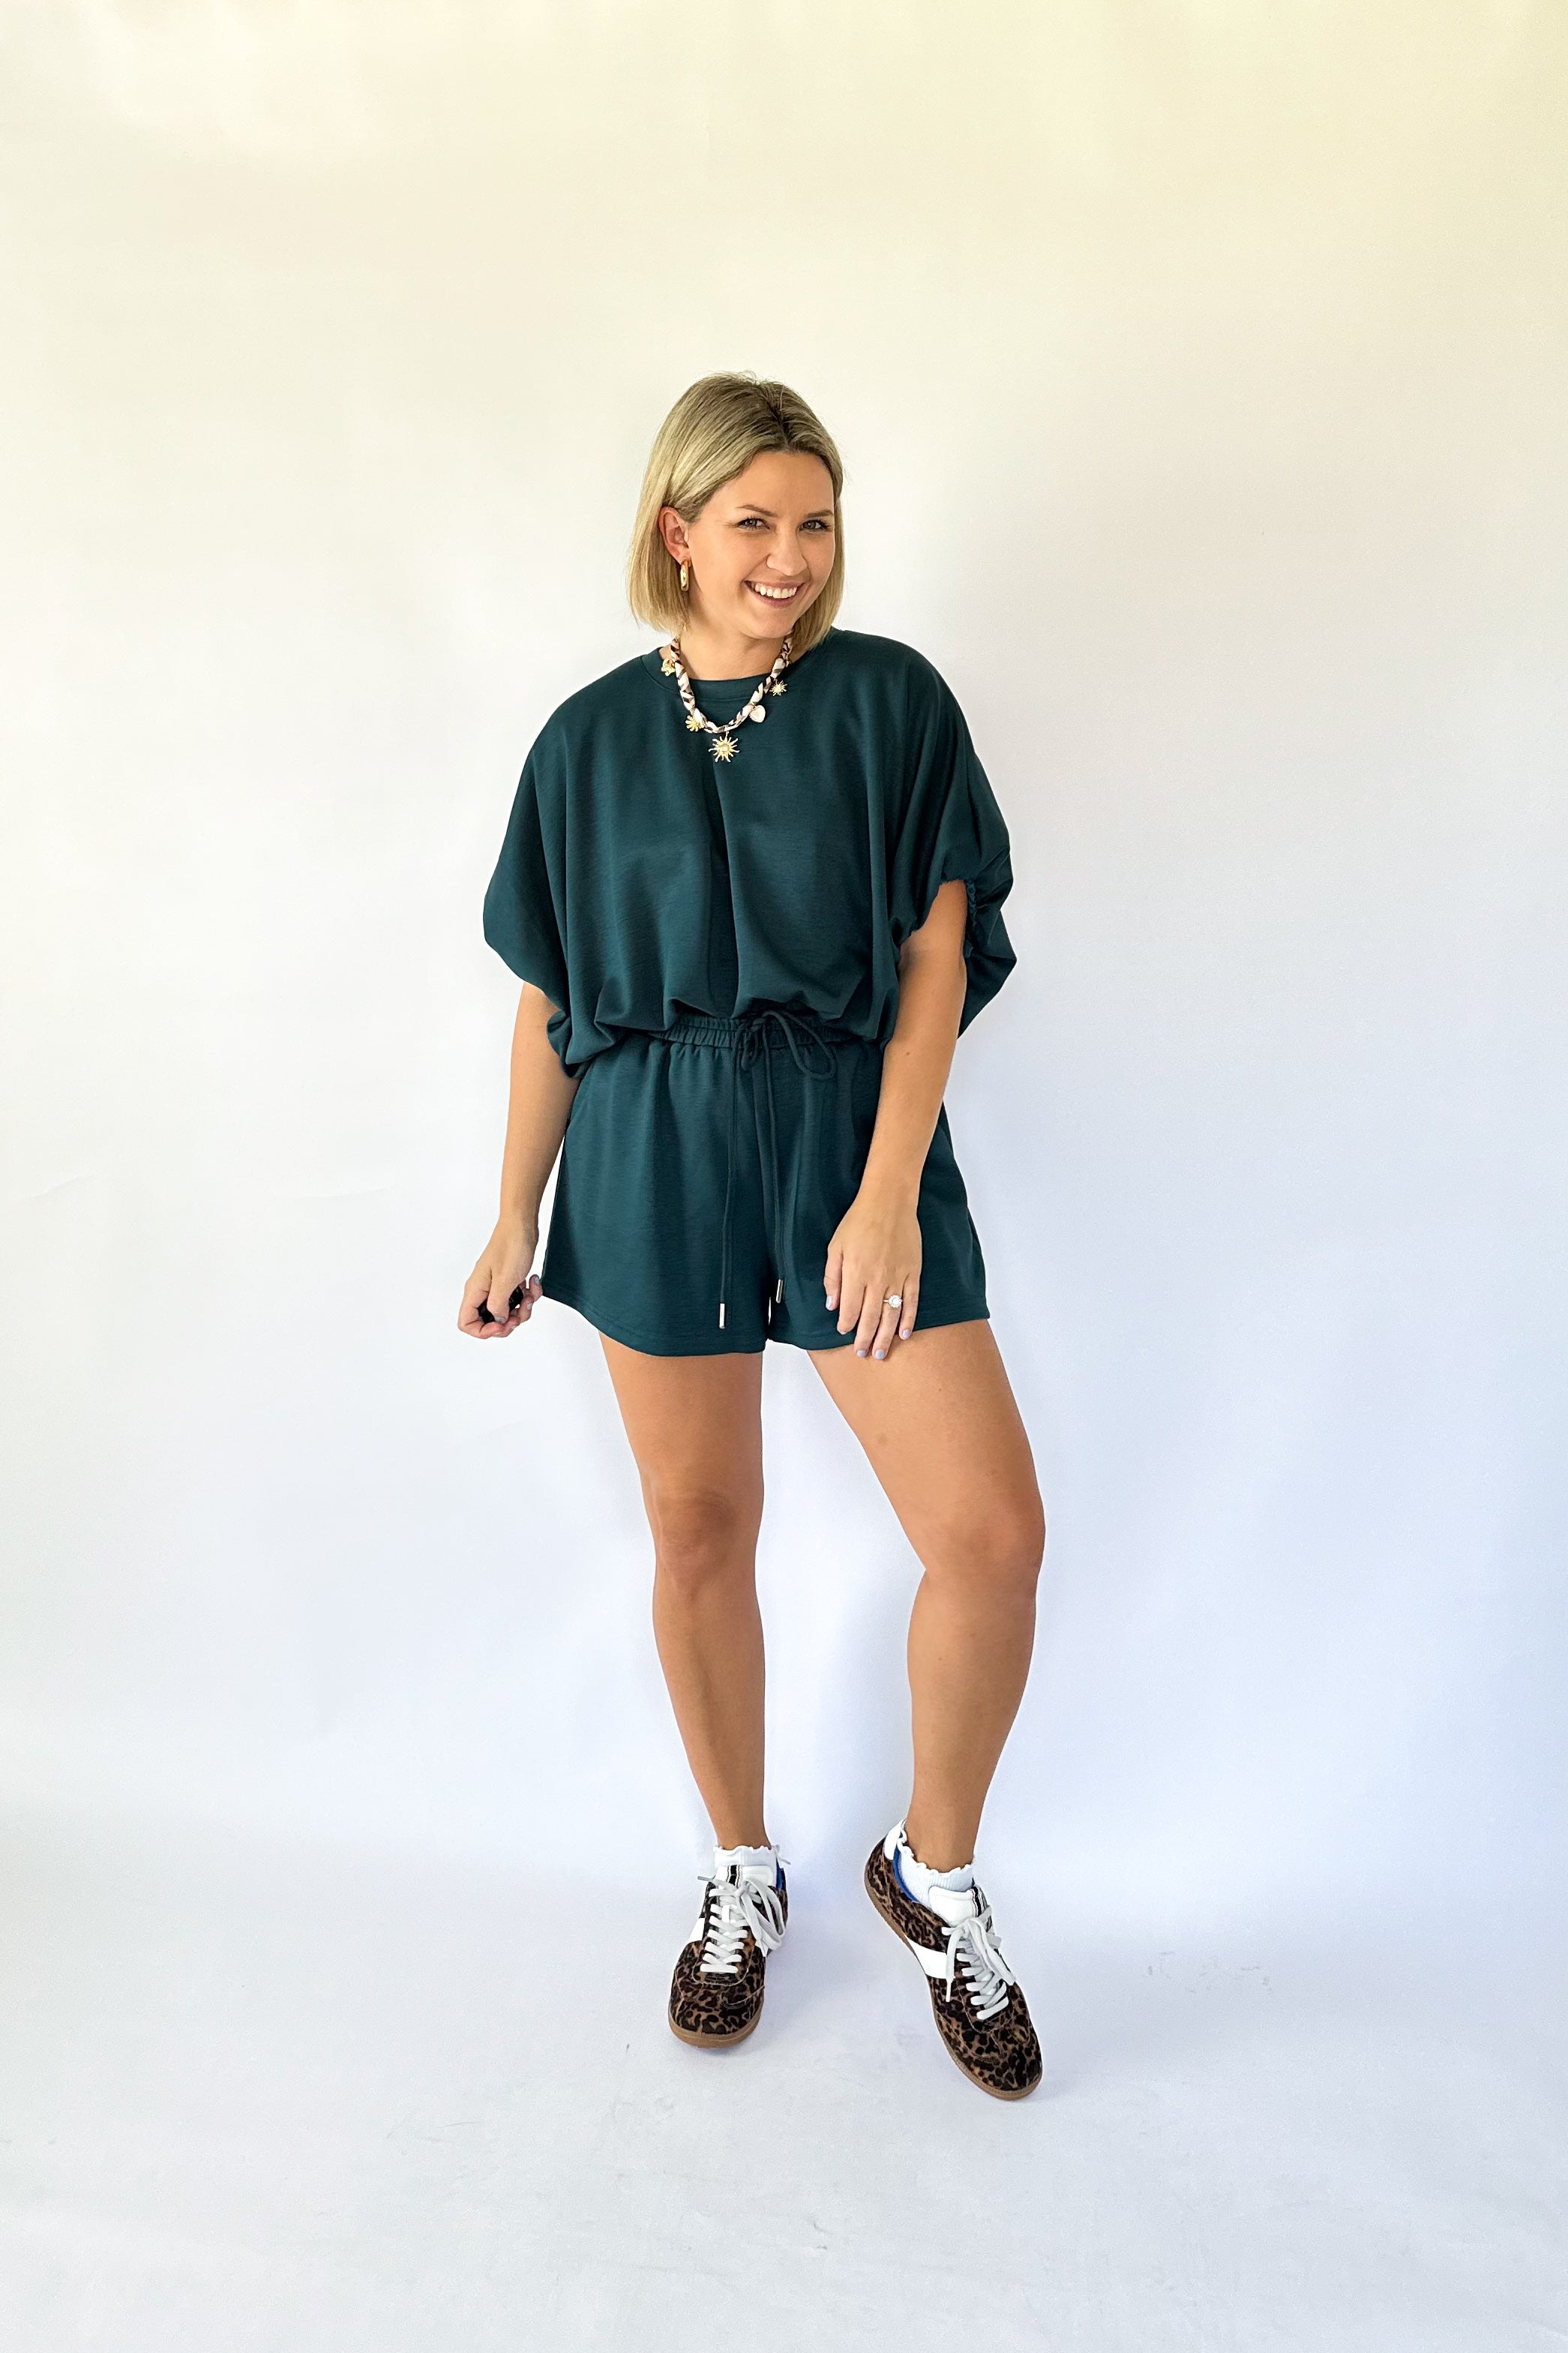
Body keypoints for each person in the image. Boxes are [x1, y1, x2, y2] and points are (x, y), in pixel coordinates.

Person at [459, 374, 1046, 2100]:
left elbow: (932, 955)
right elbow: (551, 997)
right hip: (651, 1143)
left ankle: (931, 1875)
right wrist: (510, 1209)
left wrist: (885, 1188)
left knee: (988, 1536)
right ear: (676, 529)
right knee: (698, 1525)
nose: (789, 556)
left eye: (815, 522)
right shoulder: (585, 740)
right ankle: (738, 1866)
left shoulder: (886, 702)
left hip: (849, 1133)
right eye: (752, 522)